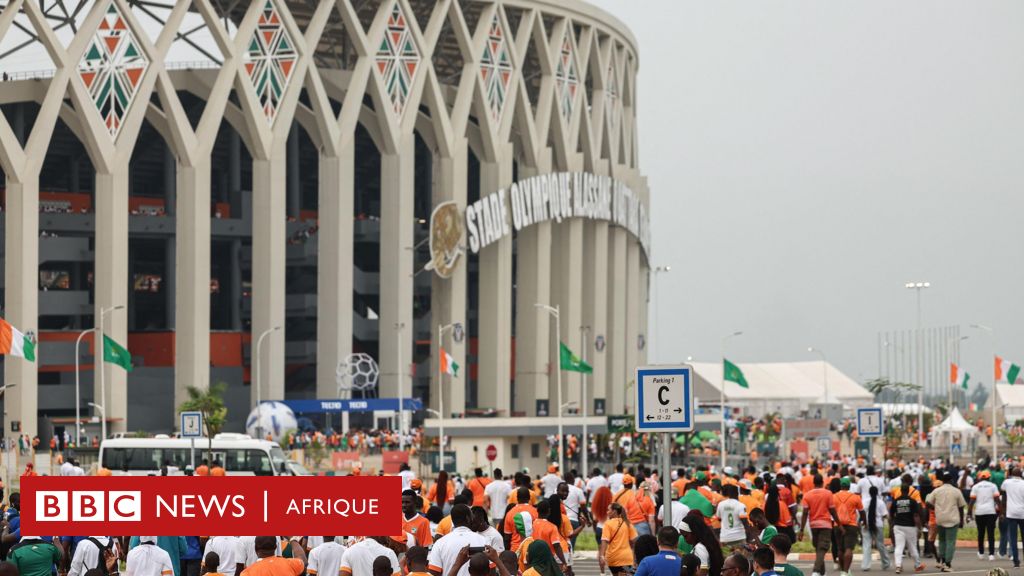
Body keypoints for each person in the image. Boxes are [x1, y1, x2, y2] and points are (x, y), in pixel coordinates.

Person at [797, 474, 841, 576]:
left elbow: (805, 513)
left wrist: (802, 529)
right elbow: (832, 511)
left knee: (818, 548)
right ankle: (816, 571)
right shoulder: (828, 493)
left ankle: (822, 572)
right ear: (822, 482)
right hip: (826, 525)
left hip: (813, 525)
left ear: (814, 483)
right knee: (822, 548)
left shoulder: (807, 495)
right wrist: (839, 524)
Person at [427, 504, 487, 576]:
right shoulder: (483, 540)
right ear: (468, 518)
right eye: (472, 516)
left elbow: (434, 573)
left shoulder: (440, 543)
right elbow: (490, 571)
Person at [926, 471, 967, 572]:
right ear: (951, 480)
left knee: (942, 541)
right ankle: (948, 564)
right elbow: (961, 507)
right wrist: (962, 520)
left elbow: (927, 502)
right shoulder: (956, 491)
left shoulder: (937, 491)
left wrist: (935, 508)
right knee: (950, 542)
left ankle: (943, 561)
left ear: (943, 481)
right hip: (953, 519)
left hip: (940, 518)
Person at [890, 481, 925, 575]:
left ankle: (898, 566)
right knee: (912, 547)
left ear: (901, 490)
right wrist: (919, 528)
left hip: (898, 526)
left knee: (899, 547)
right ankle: (917, 565)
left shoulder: (896, 501)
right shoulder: (912, 502)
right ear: (909, 491)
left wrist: (893, 524)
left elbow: (891, 515)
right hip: (910, 527)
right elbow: (916, 516)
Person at [831, 477, 862, 576]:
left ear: (841, 485)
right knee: (849, 549)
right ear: (849, 486)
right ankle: (845, 572)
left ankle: (842, 571)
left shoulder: (833, 496)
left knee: (840, 549)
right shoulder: (855, 497)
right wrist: (863, 521)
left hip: (837, 525)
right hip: (851, 525)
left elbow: (830, 510)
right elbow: (862, 511)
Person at [969, 469, 1000, 560]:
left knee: (980, 533)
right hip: (990, 512)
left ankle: (981, 552)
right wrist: (1001, 512)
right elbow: (997, 500)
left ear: (980, 478)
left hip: (979, 512)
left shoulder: (976, 486)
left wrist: (969, 513)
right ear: (989, 477)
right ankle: (991, 554)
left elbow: (971, 501)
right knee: (991, 533)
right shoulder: (993, 486)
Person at [599, 502, 637, 575]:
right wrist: (634, 555)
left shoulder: (608, 524)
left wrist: (602, 555)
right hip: (626, 558)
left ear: (614, 511)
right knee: (627, 573)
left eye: (608, 510)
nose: (607, 512)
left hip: (613, 559)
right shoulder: (627, 523)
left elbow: (605, 541)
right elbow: (635, 540)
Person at [860, 486, 890, 572]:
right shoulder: (881, 503)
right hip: (878, 525)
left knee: (866, 545)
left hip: (865, 525)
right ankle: (886, 563)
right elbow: (885, 515)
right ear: (877, 493)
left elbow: (861, 513)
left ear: (869, 492)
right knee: (880, 545)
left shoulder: (864, 502)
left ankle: (865, 565)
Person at [239, 537, 305, 576]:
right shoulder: (291, 564)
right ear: (276, 547)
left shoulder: (247, 573)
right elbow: (302, 558)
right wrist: (293, 539)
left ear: (256, 548)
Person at [1001, 466, 1024, 568]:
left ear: (1012, 474)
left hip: (1011, 514)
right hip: (1022, 513)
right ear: (1021, 474)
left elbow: (1003, 494)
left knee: (1013, 539)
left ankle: (1016, 561)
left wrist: (1003, 511)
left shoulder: (1006, 482)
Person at [504, 488, 539, 553]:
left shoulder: (510, 513)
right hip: (532, 549)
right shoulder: (536, 512)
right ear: (529, 498)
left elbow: (507, 537)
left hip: (515, 550)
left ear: (517, 498)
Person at [716, 484, 748, 552]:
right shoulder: (741, 505)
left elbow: (719, 518)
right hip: (739, 537)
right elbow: (745, 522)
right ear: (736, 493)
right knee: (740, 560)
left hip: (725, 538)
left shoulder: (720, 504)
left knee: (728, 560)